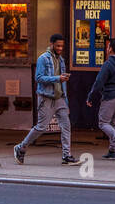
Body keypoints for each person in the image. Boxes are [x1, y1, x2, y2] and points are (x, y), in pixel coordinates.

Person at [14, 33, 74, 165]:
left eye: (62, 46)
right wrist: (57, 78)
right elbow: (39, 78)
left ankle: (66, 155)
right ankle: (21, 147)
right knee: (41, 127)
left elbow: (63, 81)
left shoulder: (61, 60)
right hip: (46, 98)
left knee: (66, 126)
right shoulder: (43, 59)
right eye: (57, 45)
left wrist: (66, 99)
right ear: (51, 44)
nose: (60, 48)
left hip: (60, 98)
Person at [86, 37, 115, 160]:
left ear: (110, 49)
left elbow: (99, 82)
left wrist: (91, 96)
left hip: (110, 96)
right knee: (114, 123)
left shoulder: (108, 64)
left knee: (103, 123)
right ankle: (112, 150)